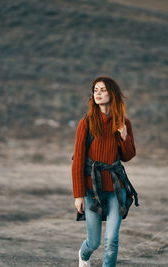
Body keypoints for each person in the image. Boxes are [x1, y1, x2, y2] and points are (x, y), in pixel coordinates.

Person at [72, 76, 136, 267]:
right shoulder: (86, 123)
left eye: (102, 90)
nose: (97, 93)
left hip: (117, 188)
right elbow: (78, 161)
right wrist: (79, 195)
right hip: (92, 190)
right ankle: (84, 255)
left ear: (112, 93)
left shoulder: (124, 123)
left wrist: (125, 137)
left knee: (112, 240)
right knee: (94, 242)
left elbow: (128, 156)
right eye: (95, 90)